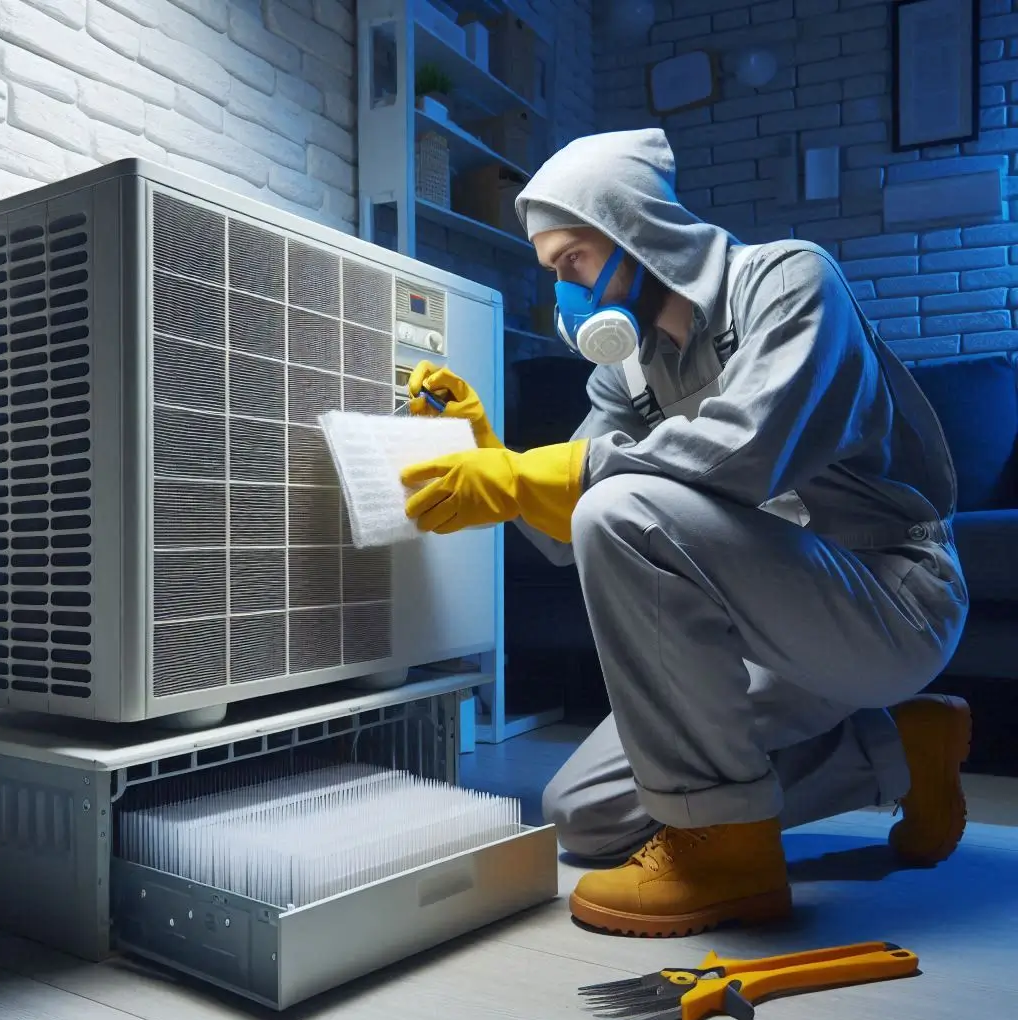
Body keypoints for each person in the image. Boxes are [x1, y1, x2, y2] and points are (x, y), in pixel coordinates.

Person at [399, 128, 971, 939]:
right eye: (553, 274)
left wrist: (540, 476)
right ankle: (897, 753)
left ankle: (728, 855)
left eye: (573, 264)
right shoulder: (629, 369)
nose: (565, 298)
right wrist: (494, 458)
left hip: (886, 595)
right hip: (764, 624)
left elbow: (748, 452)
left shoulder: (790, 281)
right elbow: (569, 532)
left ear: (635, 230)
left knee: (618, 504)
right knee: (586, 815)